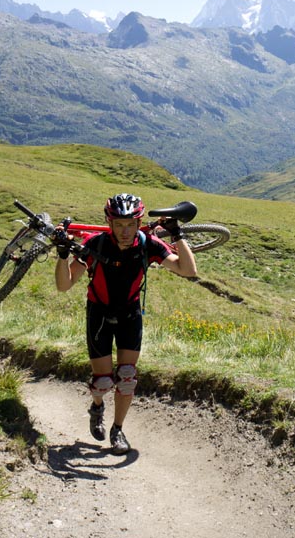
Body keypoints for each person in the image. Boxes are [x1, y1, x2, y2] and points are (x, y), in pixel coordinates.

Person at [53, 193, 197, 454]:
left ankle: (117, 430)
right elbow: (64, 285)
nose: (125, 230)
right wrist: (62, 255)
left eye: (130, 224)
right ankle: (97, 406)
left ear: (138, 221)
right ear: (109, 223)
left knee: (127, 378)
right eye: (119, 224)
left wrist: (177, 234)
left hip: (130, 314)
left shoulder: (148, 244)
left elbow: (188, 270)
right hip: (98, 314)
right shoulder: (94, 244)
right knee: (103, 382)